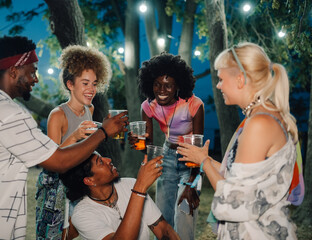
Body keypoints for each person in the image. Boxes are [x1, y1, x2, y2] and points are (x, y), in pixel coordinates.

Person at [0, 36, 128, 240]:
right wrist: (103, 132)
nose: (35, 79)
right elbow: (59, 161)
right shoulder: (9, 114)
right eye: (32, 72)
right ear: (13, 71)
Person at [177, 42, 298, 239]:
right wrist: (204, 158)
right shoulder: (264, 116)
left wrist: (204, 162)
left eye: (221, 79)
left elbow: (234, 201)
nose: (218, 85)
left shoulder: (259, 123)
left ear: (240, 80)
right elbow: (243, 179)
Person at [35, 45, 111, 240]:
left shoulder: (90, 110)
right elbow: (51, 160)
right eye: (85, 83)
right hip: (55, 187)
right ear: (70, 84)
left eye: (94, 84)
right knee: (53, 236)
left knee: (76, 233)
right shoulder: (58, 115)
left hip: (79, 183)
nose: (91, 90)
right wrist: (75, 136)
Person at [129, 52, 204, 239]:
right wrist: (138, 144)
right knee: (162, 215)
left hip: (190, 159)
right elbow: (148, 143)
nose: (161, 90)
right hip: (167, 156)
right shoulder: (148, 106)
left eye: (168, 85)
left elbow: (198, 148)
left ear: (178, 85)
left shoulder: (194, 105)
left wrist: (191, 184)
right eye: (157, 84)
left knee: (184, 212)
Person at [59, 151, 180, 240]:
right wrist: (140, 189)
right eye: (100, 162)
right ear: (89, 181)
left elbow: (163, 229)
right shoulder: (82, 214)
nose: (109, 160)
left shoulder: (129, 185)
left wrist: (137, 187)